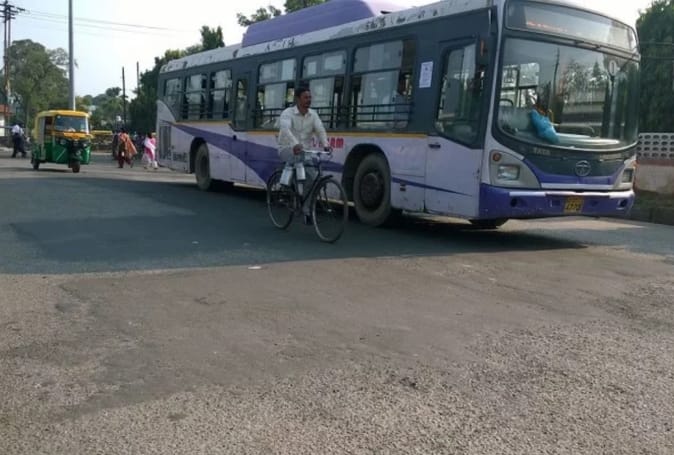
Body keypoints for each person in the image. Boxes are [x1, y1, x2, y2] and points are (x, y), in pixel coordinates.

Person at [277, 87, 331, 225]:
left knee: (313, 178)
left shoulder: (313, 114)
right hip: (287, 148)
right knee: (296, 159)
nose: (309, 100)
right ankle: (286, 189)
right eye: (305, 97)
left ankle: (307, 211)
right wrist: (295, 144)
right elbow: (286, 130)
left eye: (310, 97)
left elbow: (320, 130)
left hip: (304, 151)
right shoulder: (288, 113)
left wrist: (326, 144)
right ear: (297, 99)